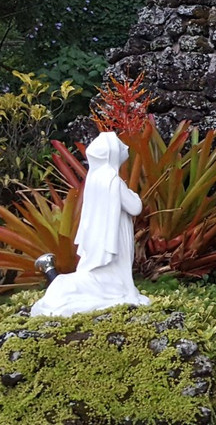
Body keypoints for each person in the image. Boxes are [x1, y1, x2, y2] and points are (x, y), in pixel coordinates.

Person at [31, 131, 149, 317]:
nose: (125, 148)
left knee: (100, 278)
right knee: (111, 280)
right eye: (120, 146)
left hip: (98, 239)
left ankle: (58, 282)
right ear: (112, 154)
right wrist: (132, 194)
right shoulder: (112, 180)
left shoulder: (94, 178)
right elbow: (135, 207)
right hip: (115, 238)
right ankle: (60, 283)